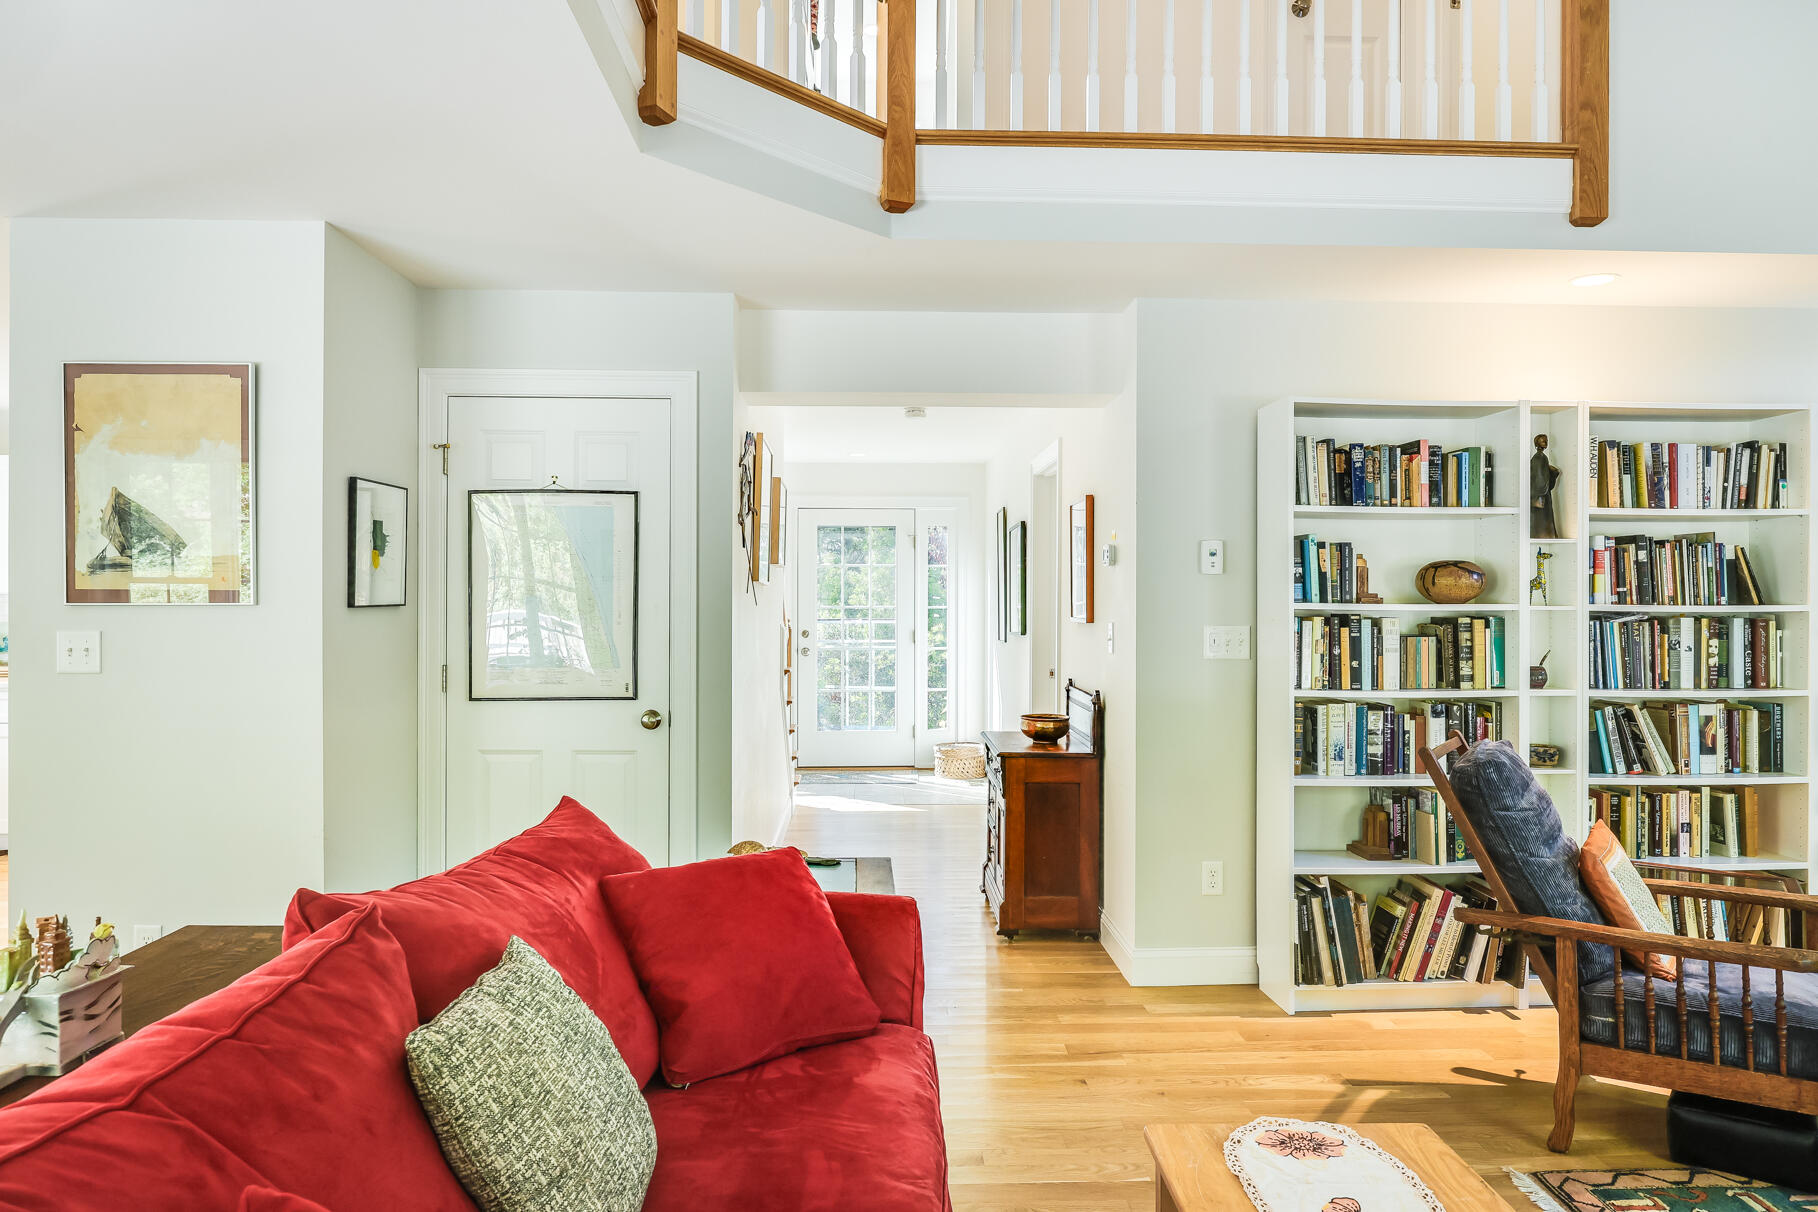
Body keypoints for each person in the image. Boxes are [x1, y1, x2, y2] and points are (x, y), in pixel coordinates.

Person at [1530, 434, 1560, 539]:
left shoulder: (1541, 457)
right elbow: (1539, 478)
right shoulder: (1539, 457)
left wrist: (1552, 472)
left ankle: (1547, 535)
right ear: (1537, 443)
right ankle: (1546, 535)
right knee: (1543, 518)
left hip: (1542, 494)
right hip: (1540, 496)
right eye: (1543, 441)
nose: (1545, 443)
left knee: (1543, 518)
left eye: (1546, 441)